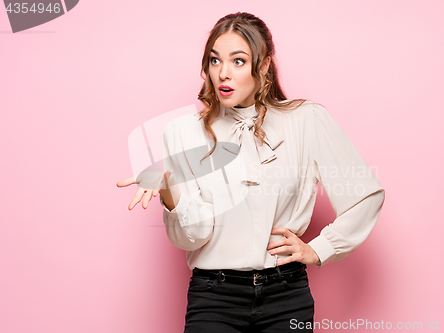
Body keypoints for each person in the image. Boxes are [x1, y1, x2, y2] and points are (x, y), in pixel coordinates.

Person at [117, 12, 385, 333]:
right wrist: (171, 192)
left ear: (264, 66)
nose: (223, 74)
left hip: (287, 295)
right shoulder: (182, 133)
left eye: (238, 61)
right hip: (214, 297)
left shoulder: (305, 120)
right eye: (215, 61)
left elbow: (364, 195)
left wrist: (318, 249)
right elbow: (193, 238)